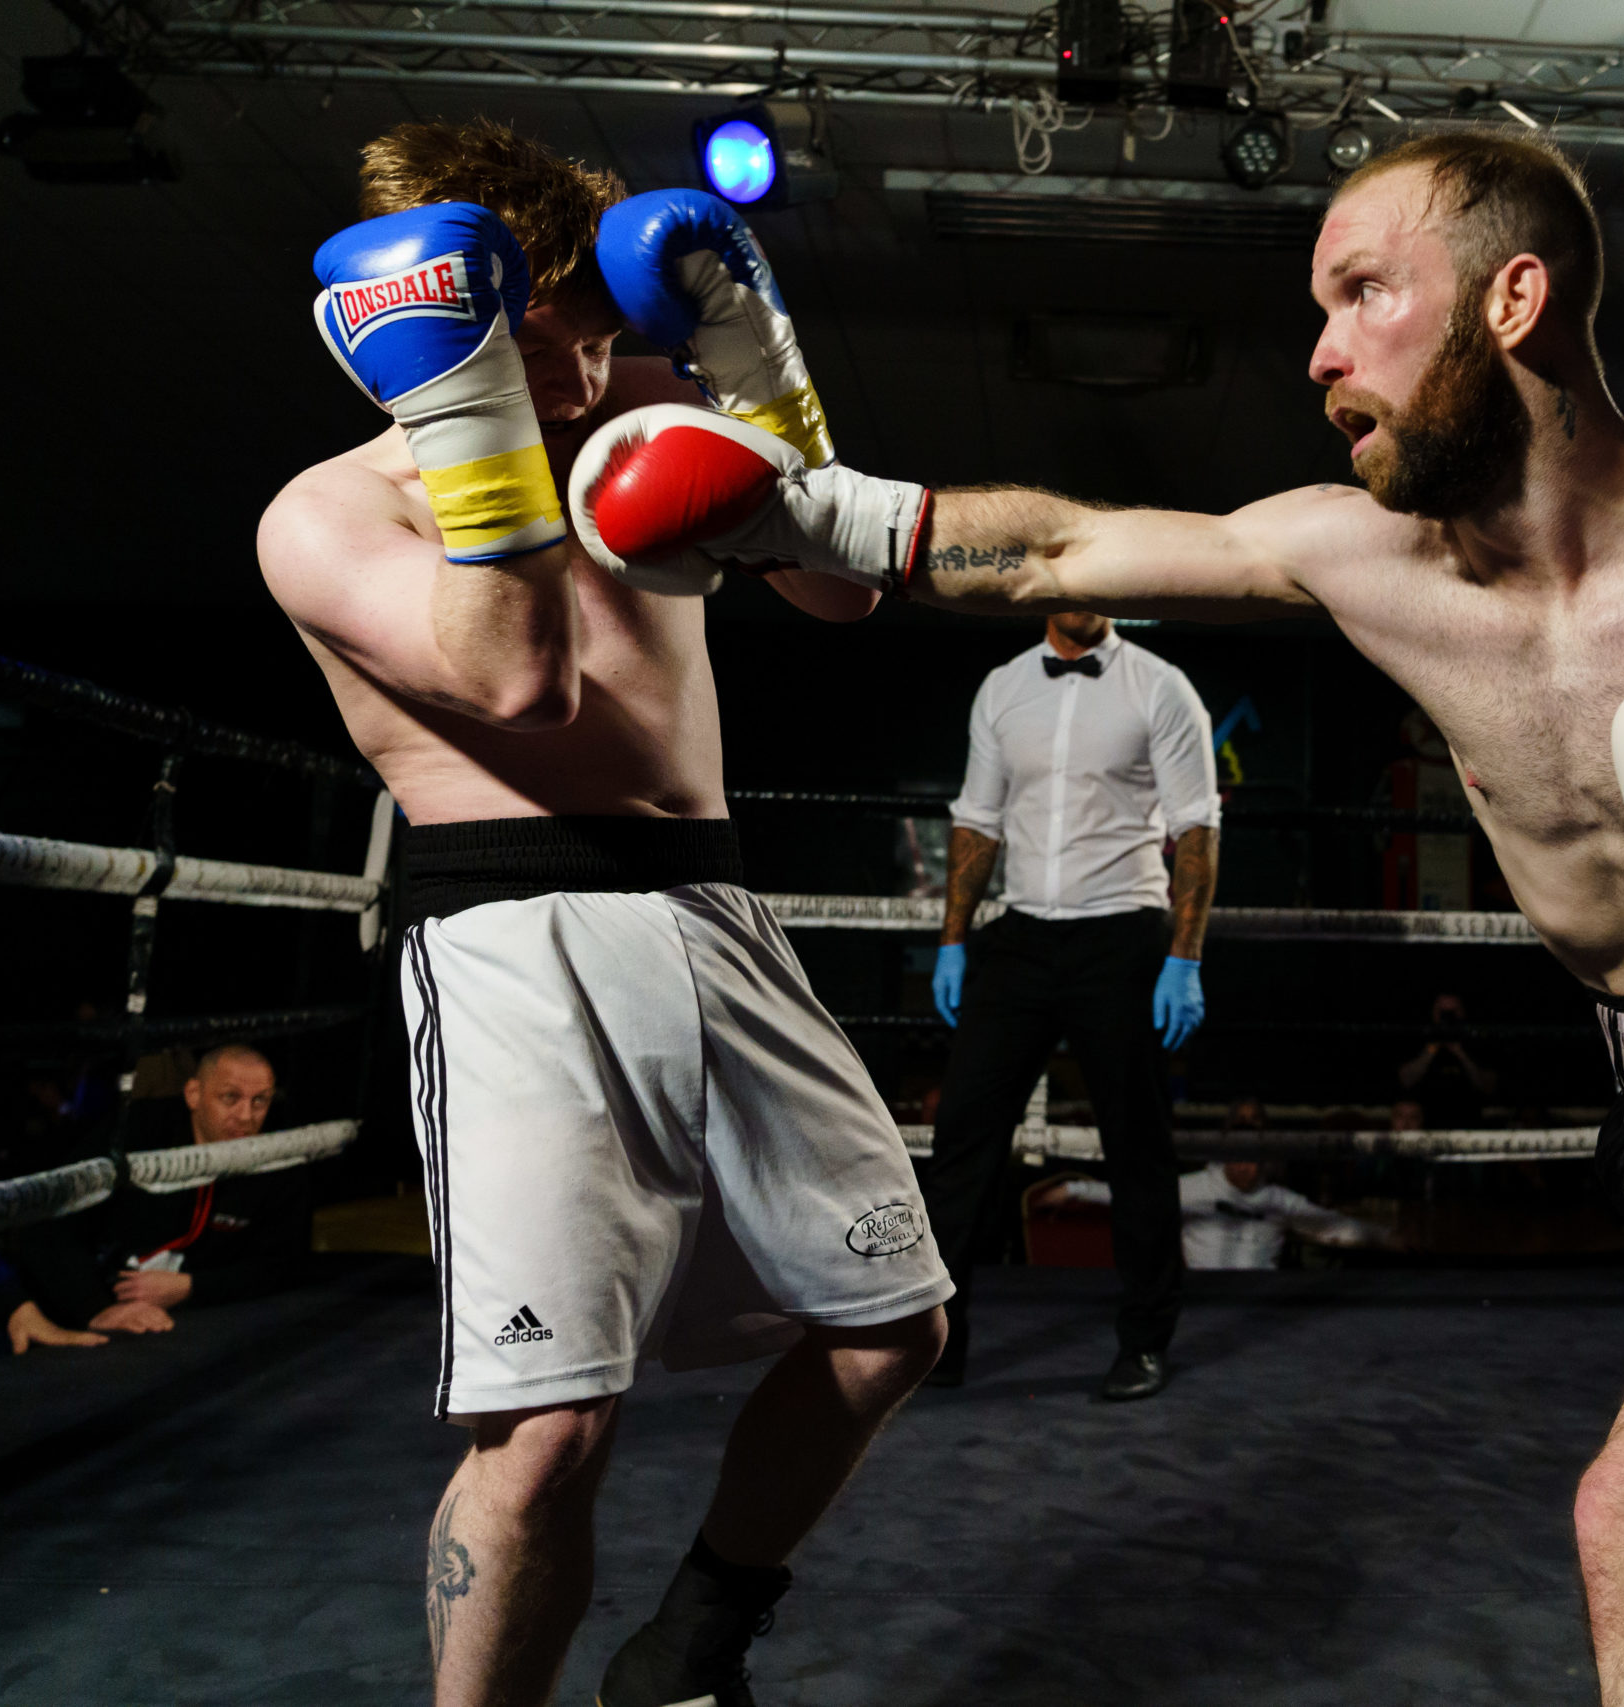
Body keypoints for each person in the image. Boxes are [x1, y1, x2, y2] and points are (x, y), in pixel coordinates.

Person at [572, 129, 1624, 1705]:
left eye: (1361, 295)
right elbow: (1055, 552)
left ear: (1510, 300)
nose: (1320, 355)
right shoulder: (1356, 551)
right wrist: (804, 510)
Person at [255, 119, 951, 1707]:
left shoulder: (642, 403)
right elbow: (518, 679)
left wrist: (761, 374)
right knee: (551, 1424)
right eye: (538, 335)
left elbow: (840, 590)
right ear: (432, 324)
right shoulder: (327, 518)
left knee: (891, 1325)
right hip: (515, 936)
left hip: (713, 906)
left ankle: (688, 1647)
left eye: (592, 324)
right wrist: (476, 418)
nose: (581, 368)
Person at [921, 609, 1221, 1400]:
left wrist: (1184, 957)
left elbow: (1197, 827)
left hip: (1122, 933)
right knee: (960, 1141)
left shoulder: (1160, 686)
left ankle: (1145, 1343)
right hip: (1019, 936)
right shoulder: (1003, 687)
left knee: (1136, 1146)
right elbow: (977, 820)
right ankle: (936, 1346)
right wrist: (952, 939)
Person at [6, 1045, 315, 1340]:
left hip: (196, 1326)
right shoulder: (134, 1133)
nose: (246, 1116)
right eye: (230, 1097)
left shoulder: (278, 1153)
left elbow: (285, 1262)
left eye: (259, 1101)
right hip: (88, 1310)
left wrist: (192, 1287)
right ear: (194, 1094)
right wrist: (96, 1306)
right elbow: (49, 1225)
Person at [1051, 1160, 1387, 1271]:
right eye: (1236, 1158)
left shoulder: (1279, 1199)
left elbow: (1332, 1226)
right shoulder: (1195, 1187)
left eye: (1252, 1160)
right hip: (1203, 1297)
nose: (1244, 1167)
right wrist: (1075, 1189)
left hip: (1262, 1300)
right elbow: (1137, 1195)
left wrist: (1389, 1238)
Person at [1396, 991, 1497, 1129]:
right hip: (1426, 1127)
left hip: (1468, 1123)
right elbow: (1405, 1081)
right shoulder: (1421, 1038)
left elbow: (1488, 1086)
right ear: (1433, 1013)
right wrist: (1432, 1049)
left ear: (1463, 1012)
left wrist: (1460, 1053)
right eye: (1442, 1011)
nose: (1448, 1016)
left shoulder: (1476, 1040)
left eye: (1453, 1011)